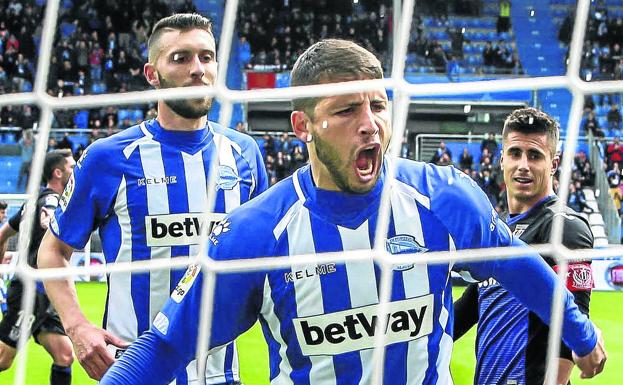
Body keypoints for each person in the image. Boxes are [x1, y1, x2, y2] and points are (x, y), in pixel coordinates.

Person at [100, 39, 606, 384]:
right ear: (303, 126)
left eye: (378, 107)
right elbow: (164, 347)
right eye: (346, 111)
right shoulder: (255, 233)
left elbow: (517, 265)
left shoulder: (443, 196)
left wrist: (582, 336)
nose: (371, 126)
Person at [37, 13, 268, 384]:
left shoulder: (244, 153)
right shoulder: (108, 157)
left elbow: (266, 259)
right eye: (181, 58)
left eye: (206, 57)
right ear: (151, 74)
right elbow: (52, 250)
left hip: (222, 375)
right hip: (133, 372)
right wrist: (77, 327)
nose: (198, 69)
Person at [453, 108, 596, 385]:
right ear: (502, 159)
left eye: (535, 156)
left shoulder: (564, 226)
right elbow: (468, 310)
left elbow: (573, 320)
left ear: (553, 164)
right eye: (515, 153)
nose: (523, 165)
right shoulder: (498, 231)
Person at [0, 149, 76, 385]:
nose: (75, 173)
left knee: (64, 355)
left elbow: (3, 234)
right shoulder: (52, 201)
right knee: (2, 359)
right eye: (71, 168)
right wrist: (50, 223)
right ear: (57, 173)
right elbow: (49, 220)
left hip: (47, 294)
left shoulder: (33, 201)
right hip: (30, 293)